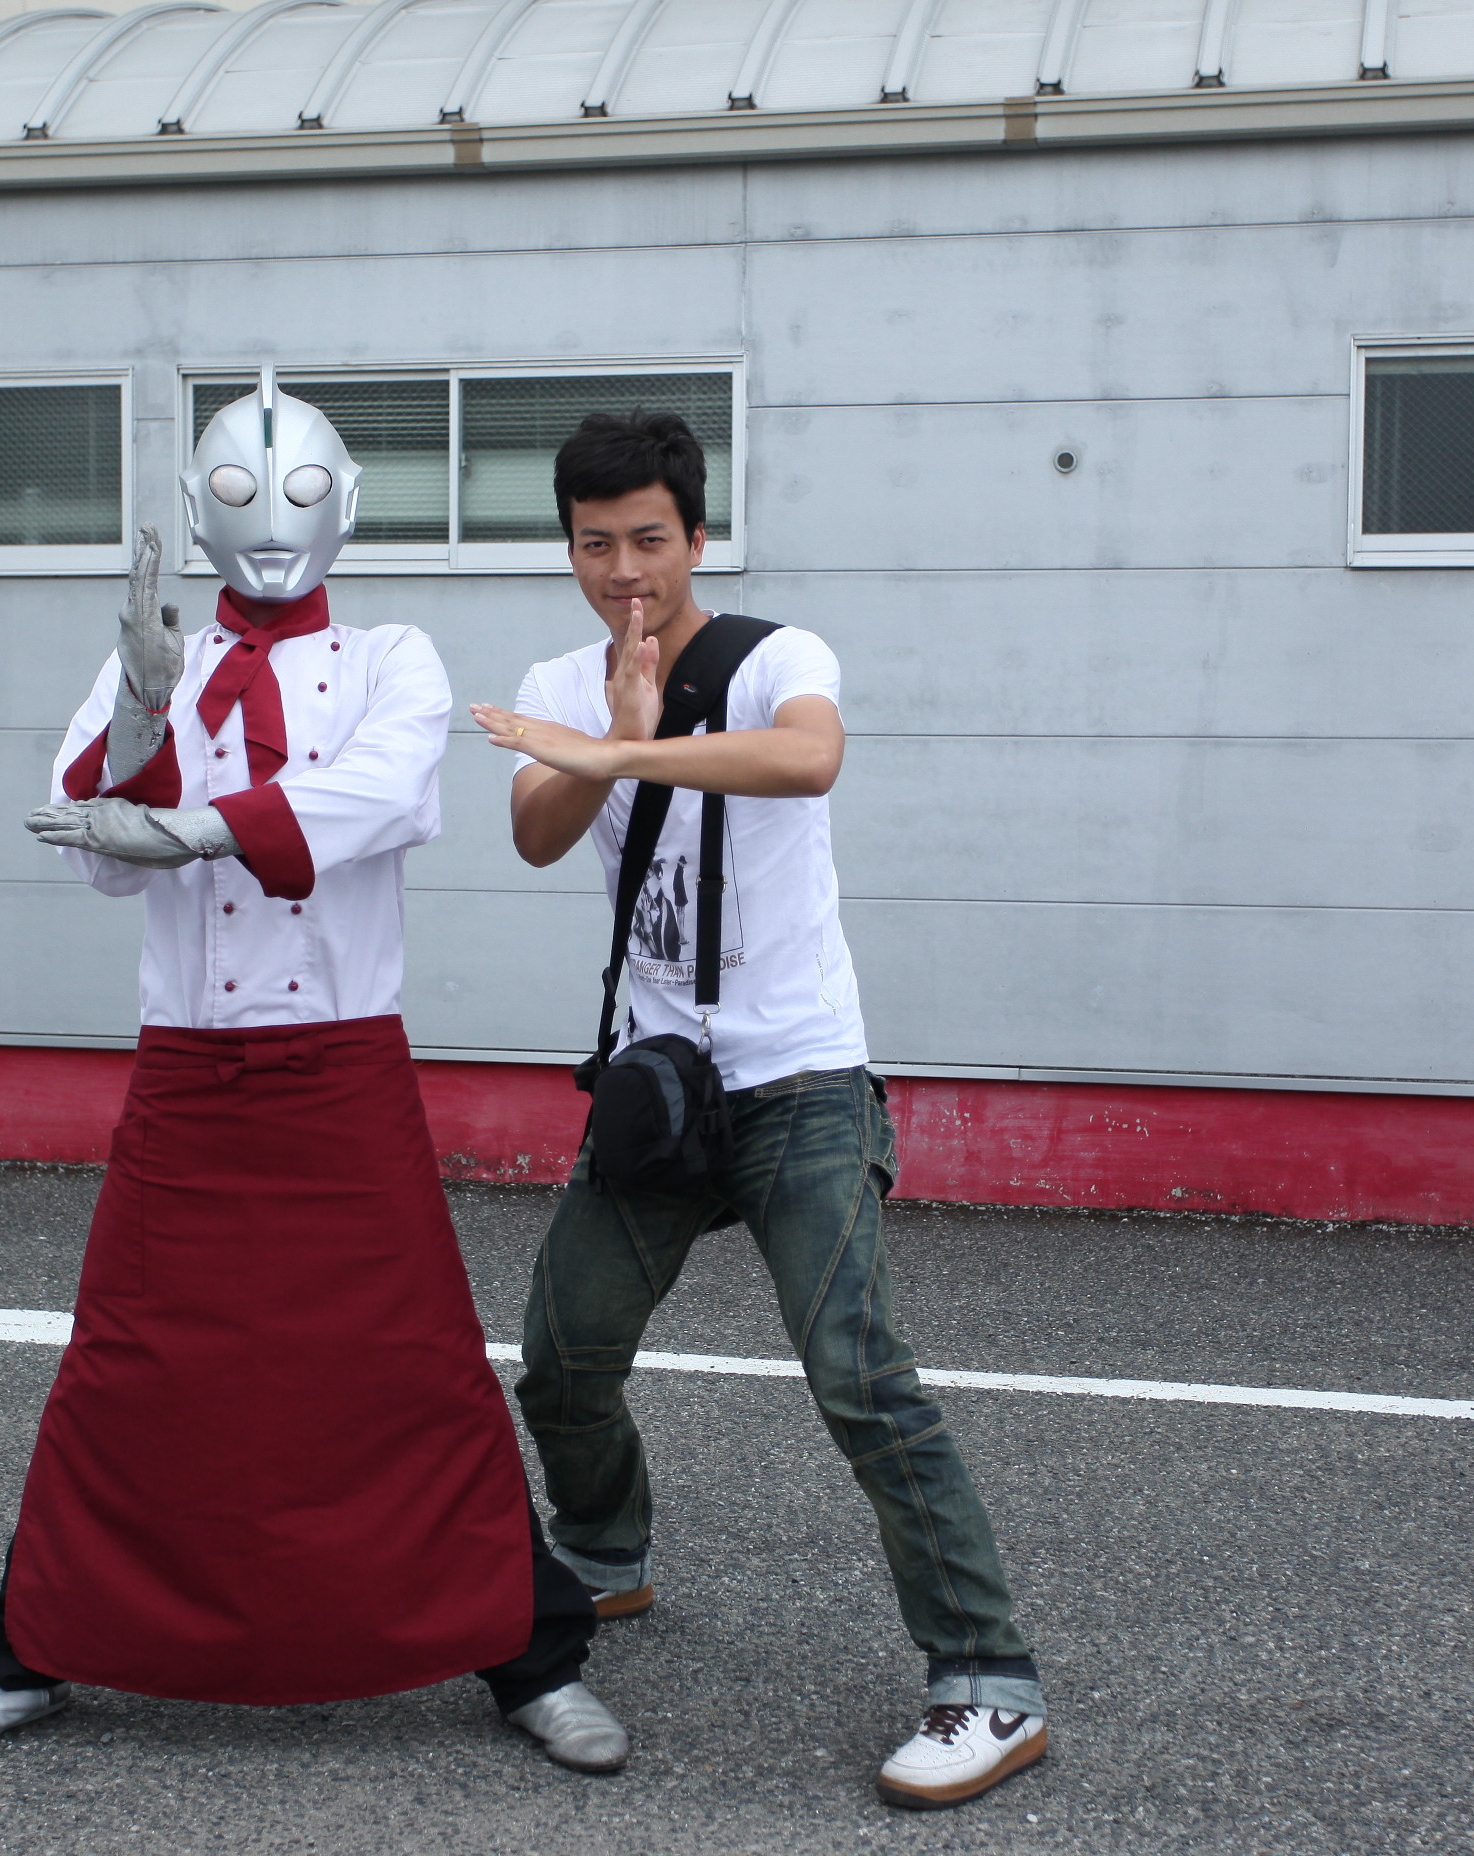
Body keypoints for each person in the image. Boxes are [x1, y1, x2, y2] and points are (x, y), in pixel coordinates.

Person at [0, 372, 620, 1773]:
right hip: (188, 1075)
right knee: (128, 1368)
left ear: (347, 507)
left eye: (296, 492)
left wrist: (199, 825)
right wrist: (139, 713)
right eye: (236, 490)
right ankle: (25, 1648)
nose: (270, 519)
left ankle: (528, 1650)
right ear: (196, 511)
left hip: (343, 1070)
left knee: (414, 1370)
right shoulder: (148, 659)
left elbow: (388, 793)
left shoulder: (393, 655)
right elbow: (90, 845)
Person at [466, 411, 1048, 1811]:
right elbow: (536, 834)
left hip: (801, 1079)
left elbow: (807, 760)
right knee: (562, 1357)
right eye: (594, 544)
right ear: (568, 548)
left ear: (696, 538)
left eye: (647, 540)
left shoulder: (776, 657)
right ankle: (607, 1552)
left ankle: (989, 1678)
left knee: (858, 1371)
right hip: (660, 1086)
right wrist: (599, 737)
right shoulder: (559, 680)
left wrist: (626, 753)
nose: (623, 571)